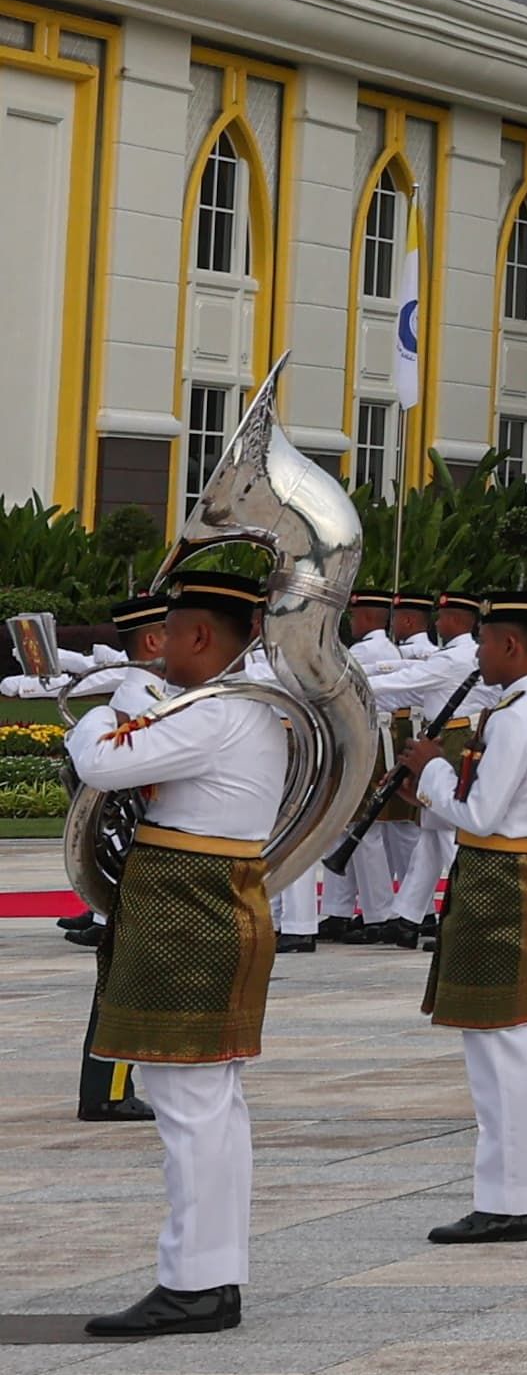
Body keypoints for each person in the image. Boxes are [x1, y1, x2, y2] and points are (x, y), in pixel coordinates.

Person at [67, 560, 290, 1335]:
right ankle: (212, 1274)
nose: (160, 653)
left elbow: (100, 760)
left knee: (189, 1106)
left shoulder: (216, 711)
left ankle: (194, 1281)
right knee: (211, 1106)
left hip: (189, 908)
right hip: (208, 900)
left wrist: (114, 705)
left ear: (200, 632)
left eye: (171, 637)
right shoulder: (238, 703)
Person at [411, 589, 527, 1243]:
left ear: (511, 644)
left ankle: (507, 1199)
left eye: (483, 640)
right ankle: (526, 1190)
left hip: (498, 876)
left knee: (498, 1047)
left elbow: (480, 814)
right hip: (523, 870)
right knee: (521, 1043)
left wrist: (430, 773)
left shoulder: (516, 716)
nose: (477, 652)